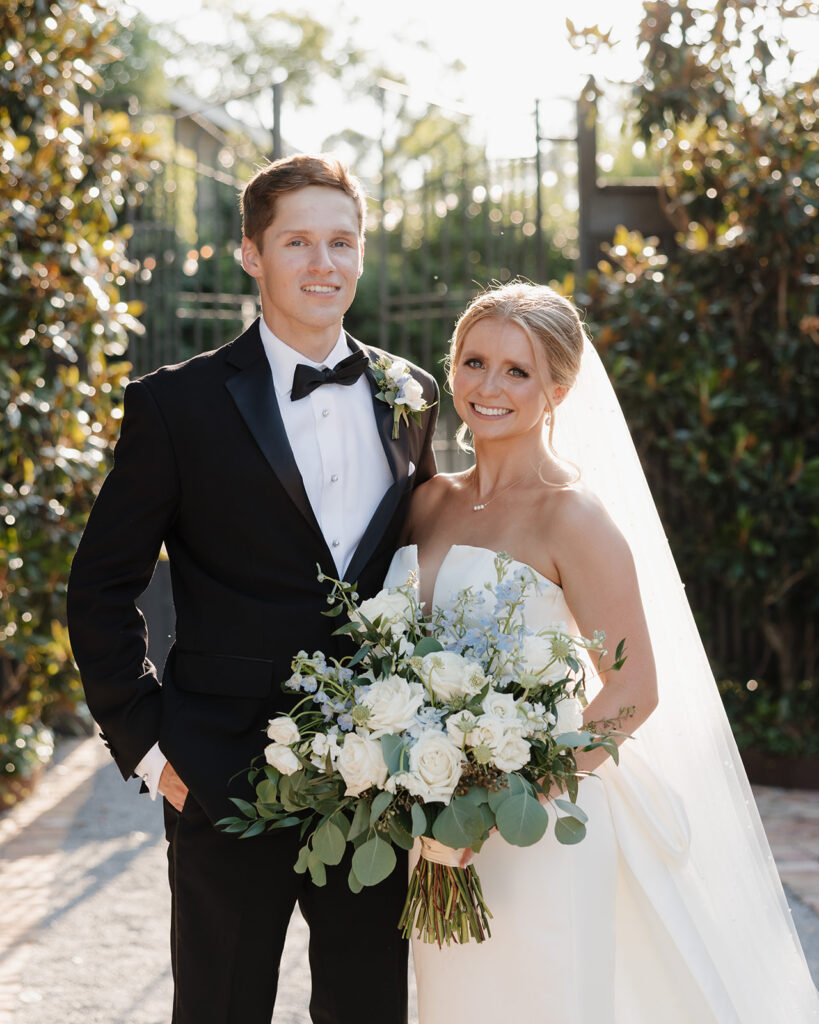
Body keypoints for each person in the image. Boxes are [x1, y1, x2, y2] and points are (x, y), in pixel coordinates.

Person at [67, 153, 438, 1024]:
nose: (323, 263)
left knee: (367, 1005)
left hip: (374, 771)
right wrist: (153, 750)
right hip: (220, 767)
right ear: (250, 253)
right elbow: (99, 587)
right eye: (298, 241)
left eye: (341, 241)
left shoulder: (409, 395)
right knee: (220, 1005)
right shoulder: (176, 405)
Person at [384, 281, 819, 1023]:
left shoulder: (573, 518)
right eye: (473, 361)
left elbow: (632, 691)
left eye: (517, 371)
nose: (488, 387)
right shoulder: (426, 503)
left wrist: (497, 802)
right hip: (430, 822)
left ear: (558, 388)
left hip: (534, 828)